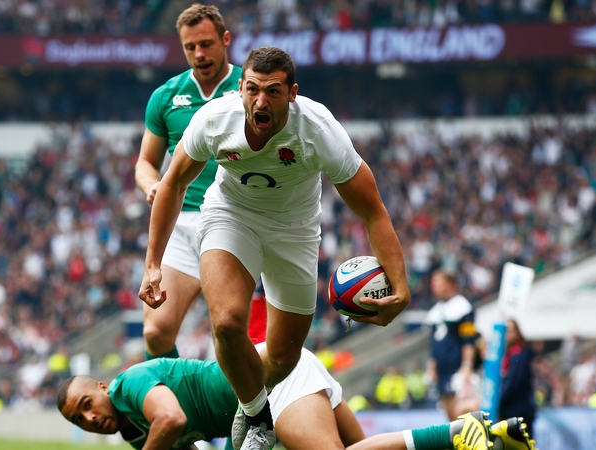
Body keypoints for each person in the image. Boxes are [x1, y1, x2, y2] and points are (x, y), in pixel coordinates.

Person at [139, 46, 410, 449]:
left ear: (293, 93)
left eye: (273, 91)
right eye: (252, 89)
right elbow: (173, 184)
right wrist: (152, 264)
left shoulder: (318, 129)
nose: (260, 101)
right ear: (241, 88)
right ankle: (256, 415)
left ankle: (247, 401)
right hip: (230, 216)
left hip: (295, 233)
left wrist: (401, 287)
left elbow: (372, 209)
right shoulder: (215, 119)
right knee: (228, 322)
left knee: (284, 356)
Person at [57, 344, 535, 450]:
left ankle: (457, 433)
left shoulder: (130, 385)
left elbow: (174, 420)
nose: (90, 418)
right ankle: (493, 435)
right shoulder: (131, 433)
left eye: (86, 406)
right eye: (80, 421)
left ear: (101, 387)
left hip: (273, 379)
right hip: (270, 387)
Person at [135, 3, 243, 360]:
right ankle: (177, 406)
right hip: (180, 223)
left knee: (226, 328)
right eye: (190, 47)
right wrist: (152, 184)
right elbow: (145, 164)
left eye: (206, 44)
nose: (199, 54)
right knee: (155, 331)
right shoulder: (166, 96)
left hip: (234, 220)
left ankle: (243, 408)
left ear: (225, 40)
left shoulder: (249, 87)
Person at [425, 269, 479, 421]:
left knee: (461, 413)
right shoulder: (435, 311)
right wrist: (431, 367)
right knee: (448, 413)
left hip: (456, 367)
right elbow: (433, 344)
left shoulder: (463, 307)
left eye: (437, 282)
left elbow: (469, 339)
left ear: (450, 284)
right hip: (442, 369)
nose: (433, 286)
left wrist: (467, 365)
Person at [498, 319, 537, 441]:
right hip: (515, 408)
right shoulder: (508, 353)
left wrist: (499, 398)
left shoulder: (518, 354)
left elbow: (513, 383)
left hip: (517, 409)